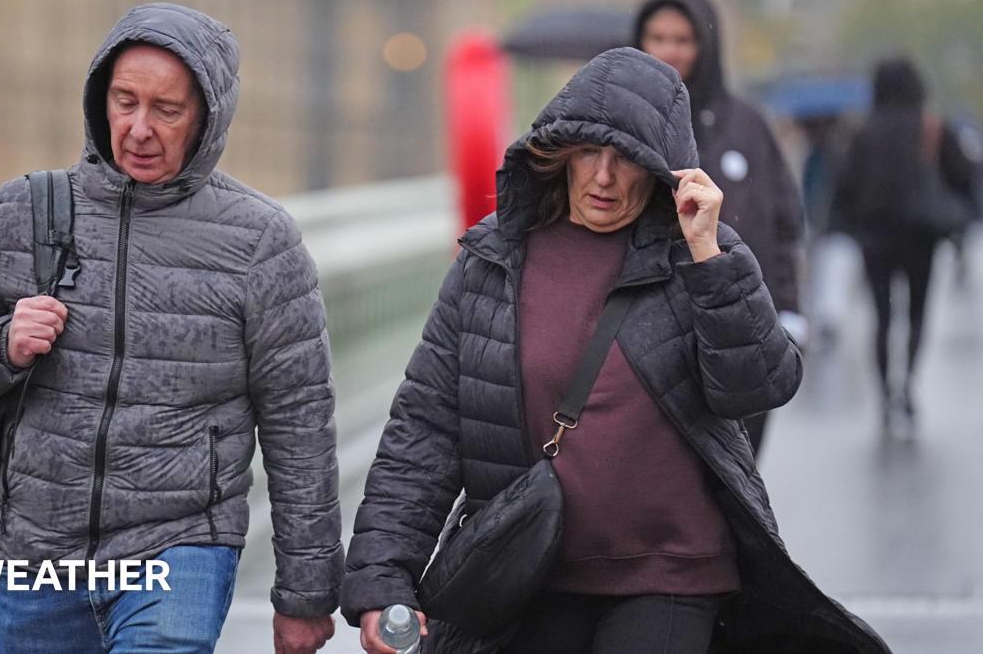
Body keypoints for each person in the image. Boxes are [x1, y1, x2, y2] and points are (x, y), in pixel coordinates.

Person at [340, 48, 889, 654]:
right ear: (557, 154)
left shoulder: (700, 255)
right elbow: (426, 429)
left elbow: (760, 385)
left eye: (626, 159)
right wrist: (383, 577)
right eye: (587, 153)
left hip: (672, 575)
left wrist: (711, 258)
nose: (603, 177)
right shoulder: (493, 261)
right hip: (530, 572)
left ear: (662, 170)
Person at [0, 3, 341, 654]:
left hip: (181, 544)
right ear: (99, 99)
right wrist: (1, 344)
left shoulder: (260, 242)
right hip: (38, 544)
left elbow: (299, 418)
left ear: (207, 117)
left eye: (166, 110)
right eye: (124, 101)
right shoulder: (26, 209)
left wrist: (305, 594)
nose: (138, 128)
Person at [634, 0, 806, 457]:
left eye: (683, 38)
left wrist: (789, 309)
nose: (670, 50)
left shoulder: (746, 124)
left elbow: (784, 221)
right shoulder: (627, 125)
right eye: (657, 36)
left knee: (742, 474)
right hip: (653, 334)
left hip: (742, 327)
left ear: (705, 45)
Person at [830, 57, 974, 436]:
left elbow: (844, 187)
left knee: (881, 317)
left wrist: (847, 227)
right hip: (920, 236)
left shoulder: (864, 133)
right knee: (916, 313)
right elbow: (963, 177)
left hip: (875, 239)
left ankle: (883, 395)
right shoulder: (933, 128)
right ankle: (907, 383)